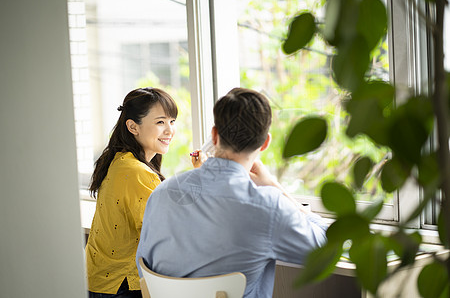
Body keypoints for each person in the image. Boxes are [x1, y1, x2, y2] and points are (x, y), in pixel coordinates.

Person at [135, 87, 327, 298]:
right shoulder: (268, 207)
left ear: (215, 135)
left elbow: (142, 264)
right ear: (265, 143)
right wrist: (274, 187)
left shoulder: (162, 192)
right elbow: (328, 247)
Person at [86, 87, 178, 298]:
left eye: (172, 121)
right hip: (121, 285)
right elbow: (163, 233)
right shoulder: (138, 172)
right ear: (133, 127)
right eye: (160, 122)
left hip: (101, 280)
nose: (169, 130)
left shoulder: (119, 158)